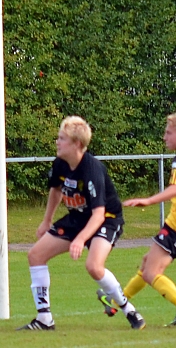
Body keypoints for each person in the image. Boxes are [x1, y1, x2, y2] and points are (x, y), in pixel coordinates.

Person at [18, 116, 145, 331]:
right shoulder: (60, 163)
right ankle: (44, 319)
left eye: (62, 138)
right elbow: (56, 190)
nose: (57, 142)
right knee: (36, 255)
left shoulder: (91, 170)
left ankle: (129, 310)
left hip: (107, 220)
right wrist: (46, 220)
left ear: (77, 144)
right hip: (77, 218)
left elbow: (98, 214)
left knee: (94, 267)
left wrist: (80, 239)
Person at [118, 112, 176, 326]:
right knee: (147, 264)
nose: (164, 137)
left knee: (151, 272)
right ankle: (116, 302)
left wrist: (149, 200)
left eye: (168, 133)